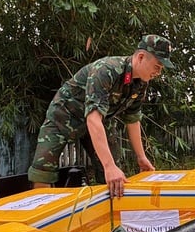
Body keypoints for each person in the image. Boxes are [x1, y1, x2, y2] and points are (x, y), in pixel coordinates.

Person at [27, 35, 174, 197]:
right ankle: (42, 214)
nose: (158, 72)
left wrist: (141, 157)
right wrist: (109, 166)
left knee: (114, 175)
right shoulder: (106, 70)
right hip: (64, 117)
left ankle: (109, 216)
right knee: (42, 170)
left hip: (99, 123)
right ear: (140, 57)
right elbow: (92, 118)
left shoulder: (140, 84)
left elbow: (132, 119)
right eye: (157, 66)